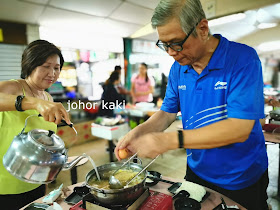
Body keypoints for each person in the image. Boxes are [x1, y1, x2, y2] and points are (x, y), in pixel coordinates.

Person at [114, 0, 269, 209]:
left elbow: (239, 128)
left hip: (239, 176)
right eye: (164, 45)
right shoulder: (178, 69)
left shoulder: (242, 59)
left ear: (202, 29)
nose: (170, 52)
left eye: (176, 43)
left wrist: (169, 140)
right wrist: (138, 132)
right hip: (197, 170)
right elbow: (166, 113)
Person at [0, 39, 71, 209]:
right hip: (5, 187)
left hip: (36, 183)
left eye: (56, 68)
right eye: (46, 66)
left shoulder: (48, 97)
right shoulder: (13, 87)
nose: (52, 73)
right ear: (30, 65)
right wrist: (33, 103)